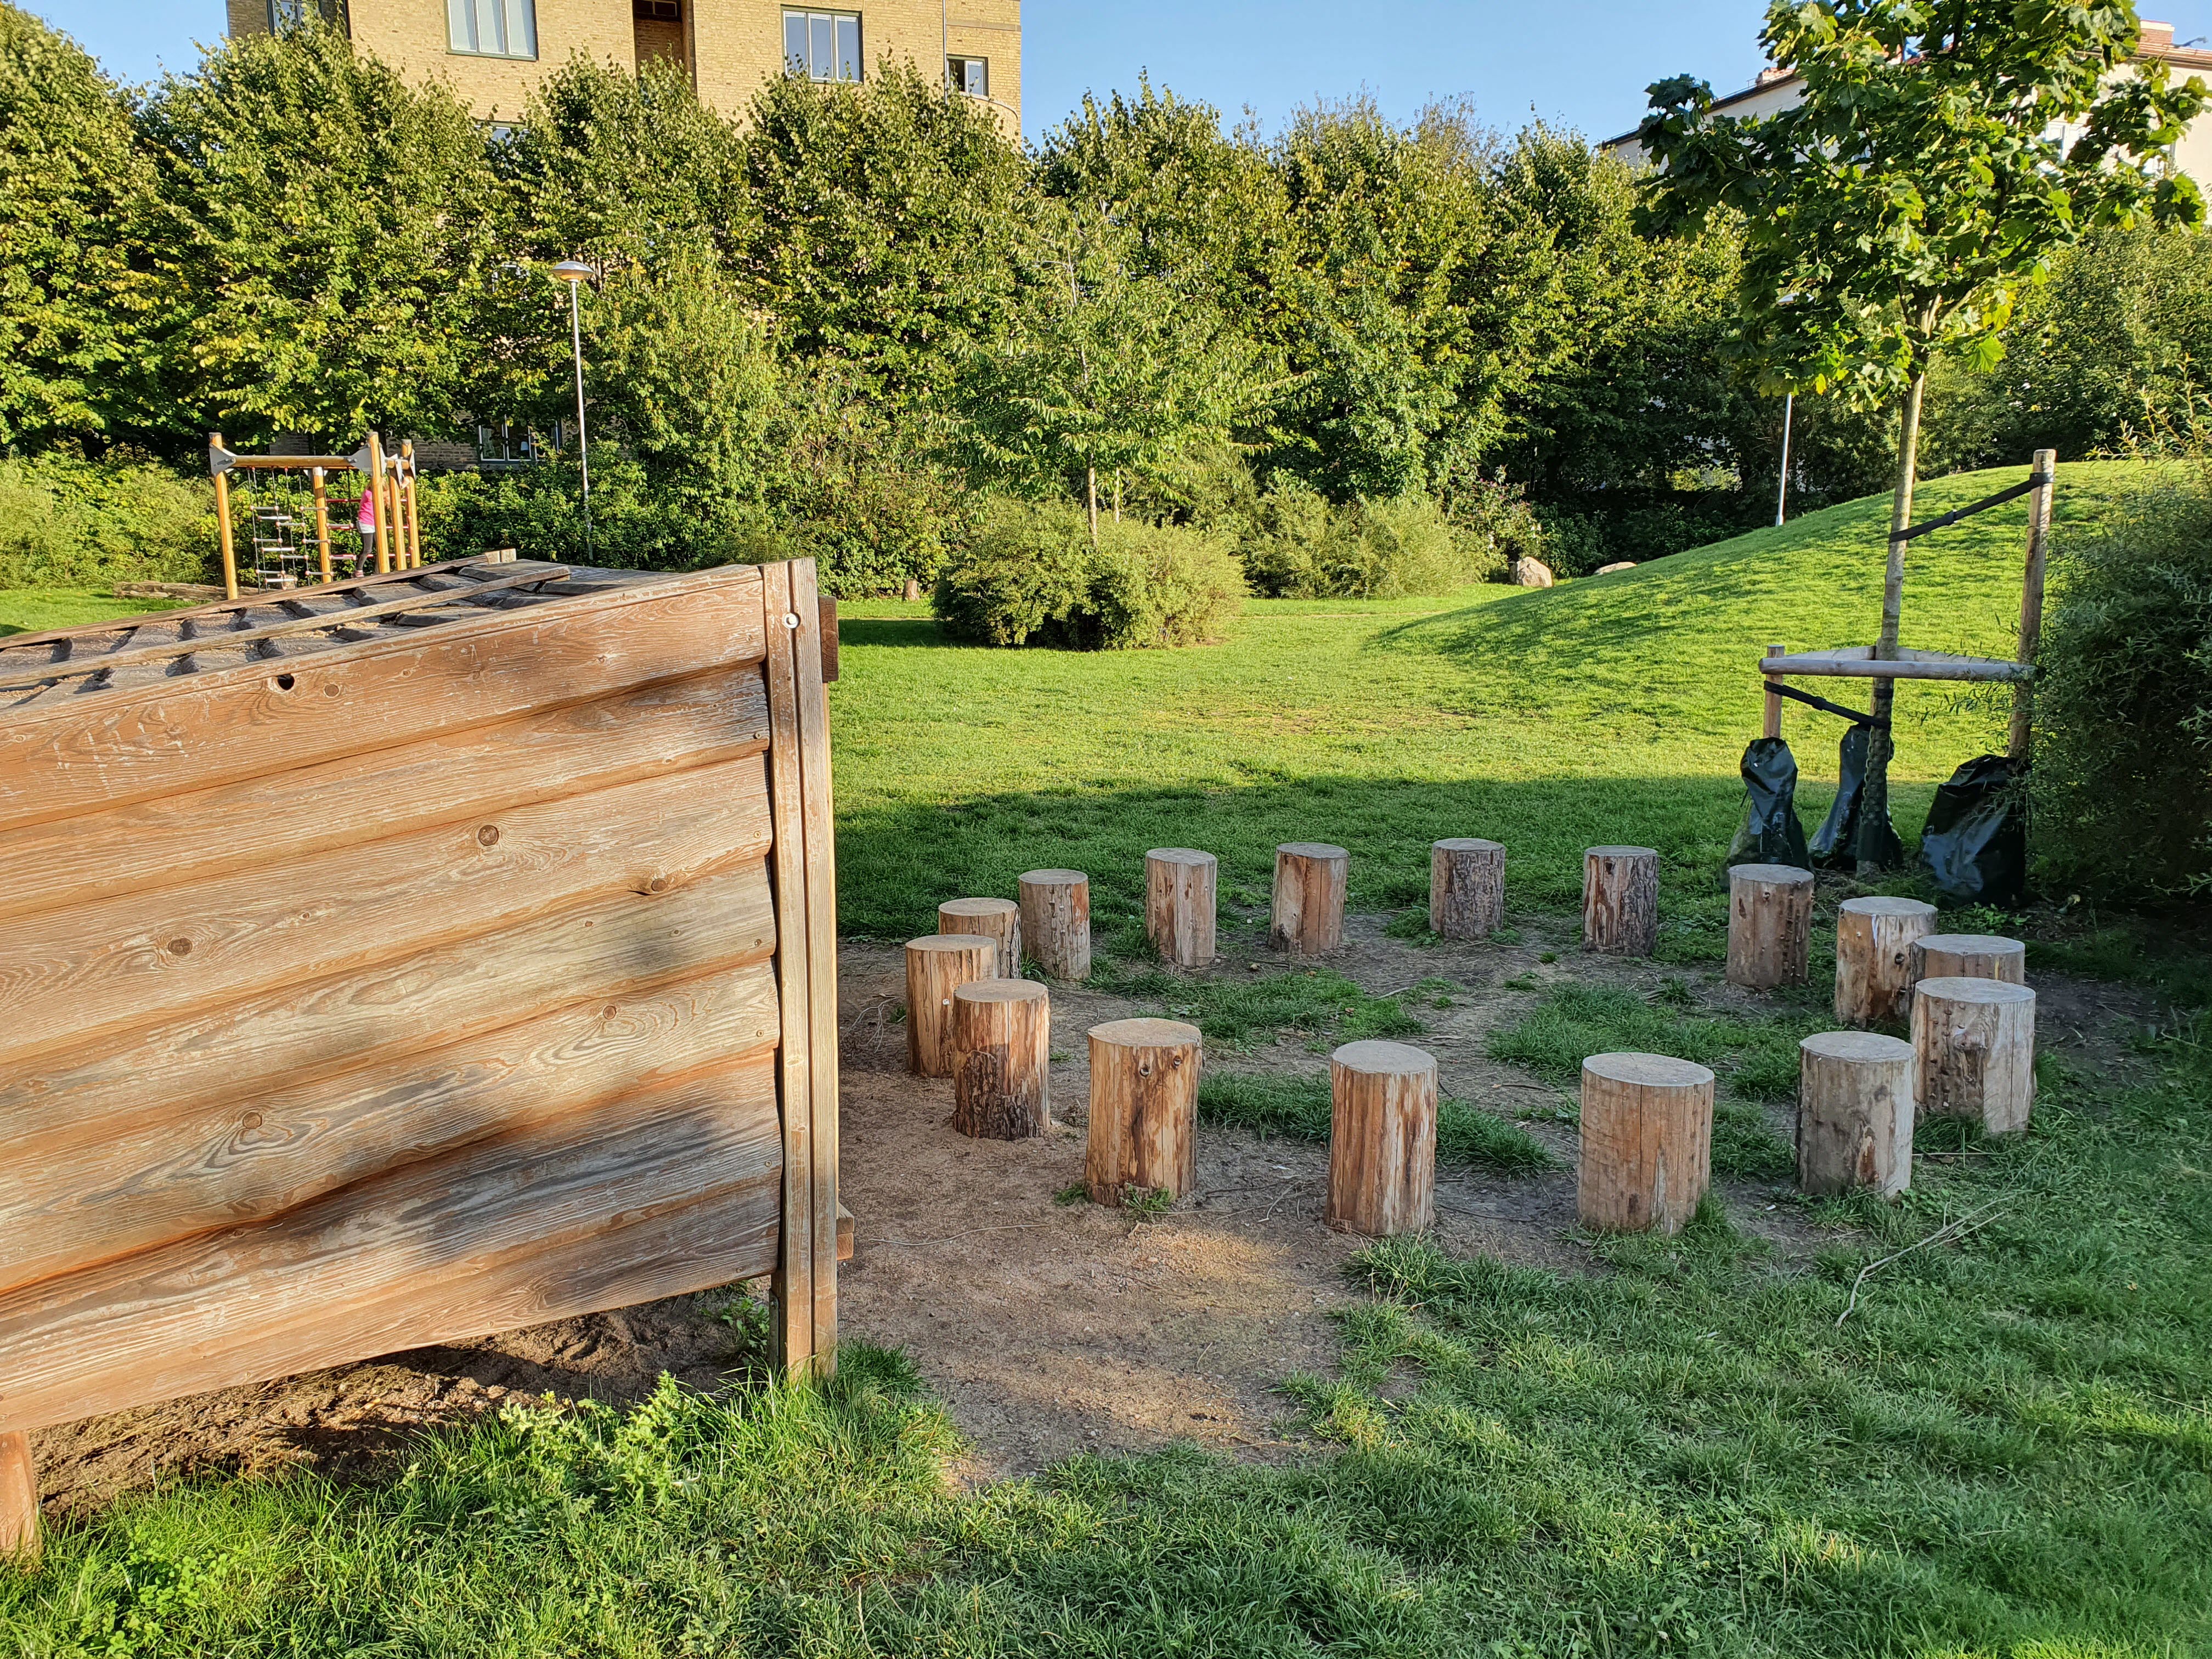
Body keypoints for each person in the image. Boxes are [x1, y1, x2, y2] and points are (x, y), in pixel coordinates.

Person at [353, 479, 377, 573]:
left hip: (374, 524)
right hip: (366, 523)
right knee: (368, 549)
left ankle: (377, 571)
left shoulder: (376, 495)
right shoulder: (368, 493)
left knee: (380, 548)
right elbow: (373, 497)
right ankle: (359, 570)